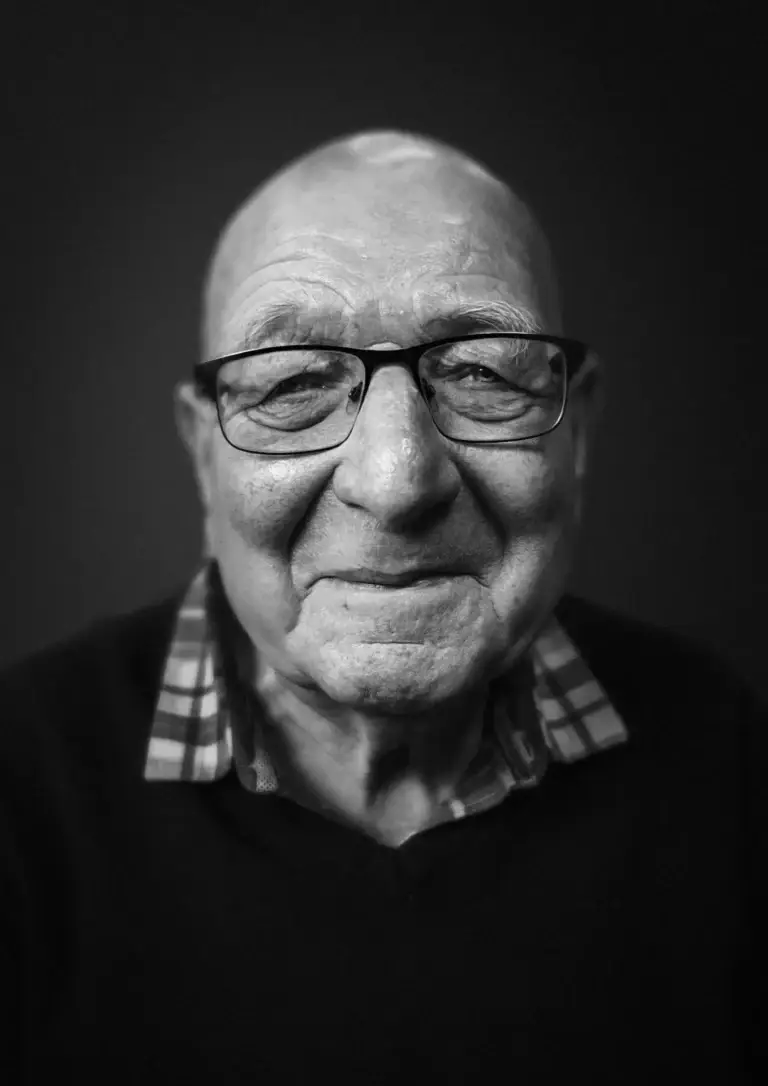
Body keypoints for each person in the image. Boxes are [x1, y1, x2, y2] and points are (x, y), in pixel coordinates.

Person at [1, 130, 764, 1084]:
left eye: (482, 371)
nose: (397, 481)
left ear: (578, 434)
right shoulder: (20, 787)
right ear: (203, 457)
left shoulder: (726, 756)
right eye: (293, 383)